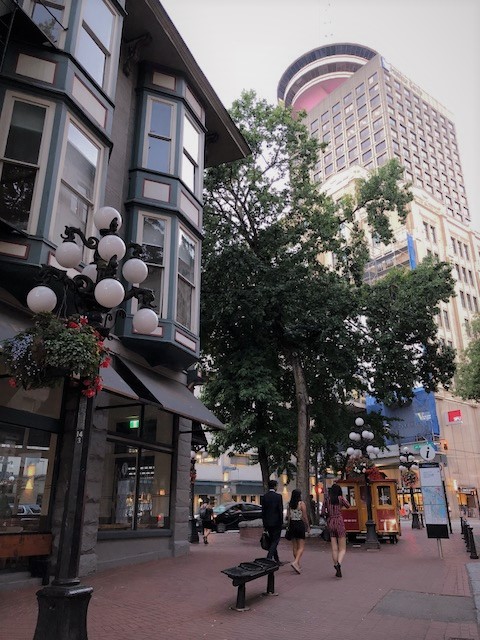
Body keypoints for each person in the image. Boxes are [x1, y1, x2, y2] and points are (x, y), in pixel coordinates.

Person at [321, 483, 350, 578]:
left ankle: (336, 565)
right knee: (342, 549)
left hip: (331, 522)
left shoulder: (327, 500)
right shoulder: (340, 499)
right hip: (339, 522)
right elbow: (348, 505)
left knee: (334, 548)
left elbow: (322, 512)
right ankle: (338, 564)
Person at [286, 489, 310, 574]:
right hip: (299, 524)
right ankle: (296, 562)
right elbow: (304, 516)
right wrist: (308, 526)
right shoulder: (301, 504)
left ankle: (297, 564)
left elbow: (288, 516)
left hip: (292, 524)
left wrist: (288, 526)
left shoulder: (289, 504)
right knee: (301, 546)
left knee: (294, 546)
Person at [261, 479, 284, 564]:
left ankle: (277, 559)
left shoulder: (264, 497)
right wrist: (282, 522)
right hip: (277, 522)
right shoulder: (278, 497)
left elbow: (263, 511)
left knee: (272, 541)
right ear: (275, 486)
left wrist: (264, 524)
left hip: (268, 522)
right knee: (275, 541)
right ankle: (269, 557)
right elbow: (280, 510)